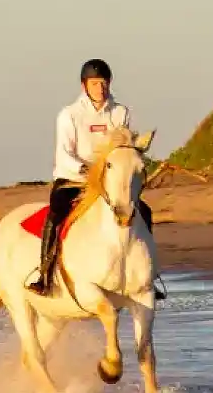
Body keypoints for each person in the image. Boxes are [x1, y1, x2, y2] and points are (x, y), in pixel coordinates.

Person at [33, 59, 154, 294]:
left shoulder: (120, 112)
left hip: (108, 181)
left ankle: (149, 272)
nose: (101, 88)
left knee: (145, 211)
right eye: (95, 83)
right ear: (84, 86)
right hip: (73, 178)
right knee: (56, 212)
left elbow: (122, 147)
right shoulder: (69, 114)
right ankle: (44, 274)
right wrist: (87, 170)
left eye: (104, 83)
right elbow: (64, 154)